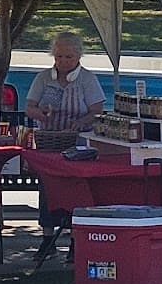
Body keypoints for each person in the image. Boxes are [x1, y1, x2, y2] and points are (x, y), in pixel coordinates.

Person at [25, 31, 105, 261]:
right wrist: (41, 113)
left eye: (68, 57)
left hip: (77, 145)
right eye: (59, 56)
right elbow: (30, 107)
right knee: (47, 189)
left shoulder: (87, 79)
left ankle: (75, 240)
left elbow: (97, 110)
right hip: (48, 142)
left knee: (76, 191)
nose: (63, 61)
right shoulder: (43, 78)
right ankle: (47, 238)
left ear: (78, 56)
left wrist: (81, 122)